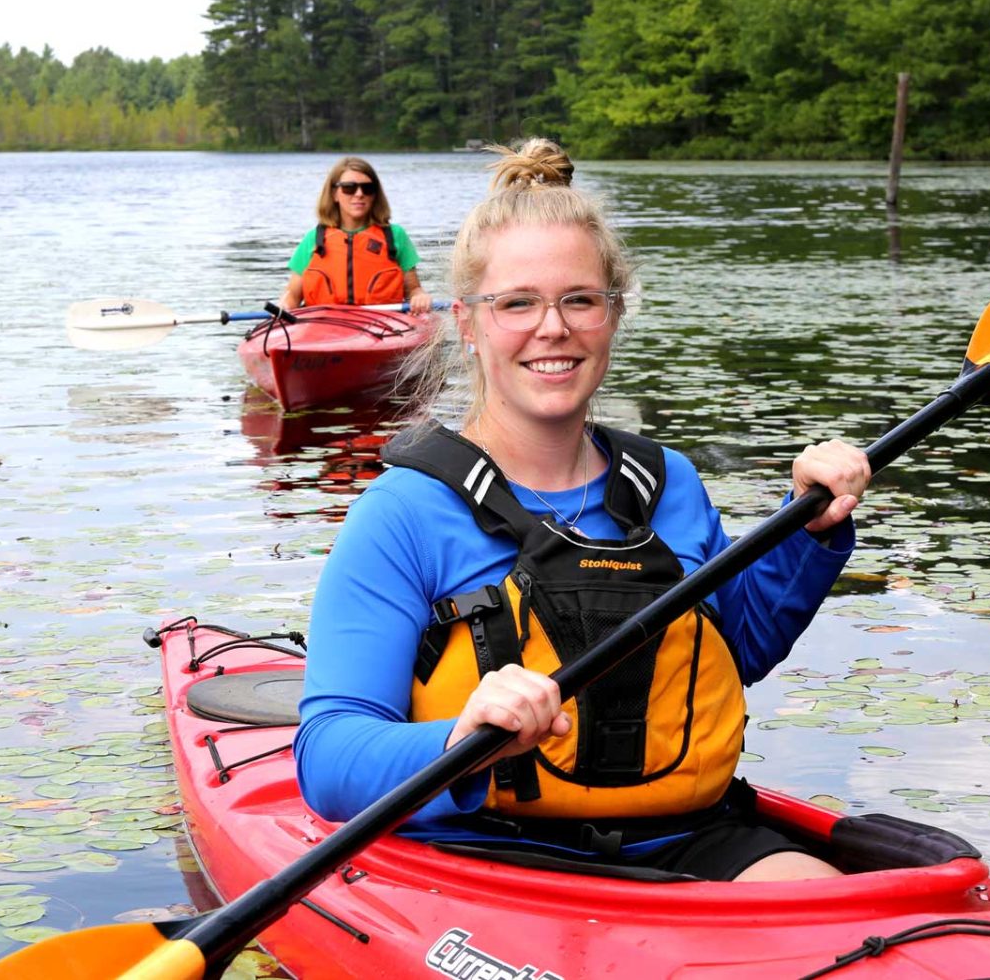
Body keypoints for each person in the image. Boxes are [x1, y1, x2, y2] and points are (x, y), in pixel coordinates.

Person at [293, 138, 870, 882]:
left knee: (826, 909)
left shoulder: (671, 483)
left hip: (688, 842)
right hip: (485, 855)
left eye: (579, 299)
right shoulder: (403, 511)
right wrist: (459, 739)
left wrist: (808, 525)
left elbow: (740, 648)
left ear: (613, 314)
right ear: (468, 324)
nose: (553, 327)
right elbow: (329, 758)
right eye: (518, 303)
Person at [276, 157, 434, 315]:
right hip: (323, 325)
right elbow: (292, 295)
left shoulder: (395, 236)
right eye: (349, 188)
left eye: (368, 188)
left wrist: (420, 296)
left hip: (383, 325)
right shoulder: (314, 238)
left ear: (375, 195)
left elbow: (413, 289)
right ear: (334, 194)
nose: (359, 194)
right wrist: (285, 304)